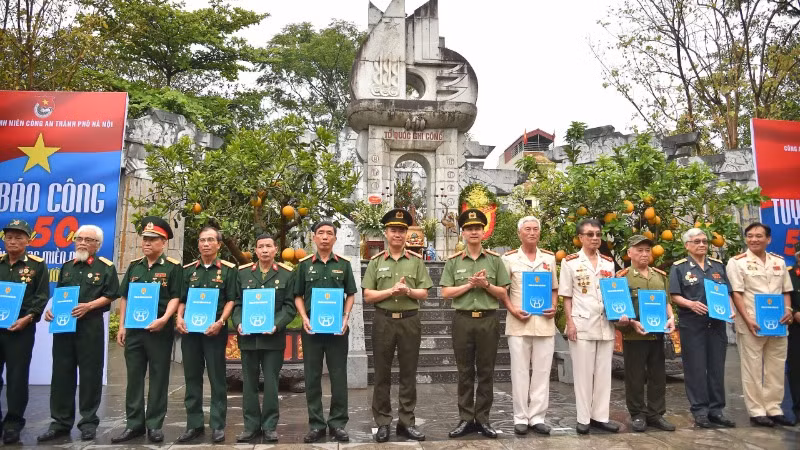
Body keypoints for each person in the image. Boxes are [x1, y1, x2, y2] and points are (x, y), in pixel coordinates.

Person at [38, 225, 118, 442]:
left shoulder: (106, 267)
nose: (82, 243)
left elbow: (111, 295)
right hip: (64, 328)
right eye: (79, 239)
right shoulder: (67, 267)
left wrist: (89, 306)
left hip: (90, 327)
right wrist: (51, 311)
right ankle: (60, 422)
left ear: (97, 245)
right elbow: (61, 295)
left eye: (87, 240)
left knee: (90, 375)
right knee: (62, 374)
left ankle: (88, 422)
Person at [362, 208, 433, 443]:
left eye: (402, 231)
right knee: (382, 373)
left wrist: (408, 291)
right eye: (394, 230)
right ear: (386, 232)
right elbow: (368, 296)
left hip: (409, 321)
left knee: (408, 373)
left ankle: (406, 422)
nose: (398, 235)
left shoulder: (415, 261)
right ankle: (383, 422)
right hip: (383, 321)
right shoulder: (375, 262)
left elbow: (424, 293)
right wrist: (390, 291)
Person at [441, 209, 511, 439]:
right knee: (464, 371)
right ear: (463, 233)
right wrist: (469, 286)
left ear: (483, 232)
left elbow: (503, 292)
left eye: (477, 228)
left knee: (486, 371)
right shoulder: (453, 262)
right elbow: (445, 292)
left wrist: (485, 285)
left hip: (488, 321)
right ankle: (465, 418)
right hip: (462, 321)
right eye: (469, 228)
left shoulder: (494, 260)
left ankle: (483, 418)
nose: (473, 232)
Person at [112, 217, 182, 443]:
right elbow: (124, 298)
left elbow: (175, 297)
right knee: (133, 378)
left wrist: (164, 319)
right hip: (134, 331)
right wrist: (121, 326)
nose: (147, 243)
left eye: (153, 240)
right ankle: (134, 424)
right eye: (145, 239)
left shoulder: (172, 268)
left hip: (159, 332)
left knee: (159, 378)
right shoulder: (134, 266)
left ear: (164, 242)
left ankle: (154, 424)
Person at [293, 221, 357, 443]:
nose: (325, 237)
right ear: (314, 237)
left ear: (335, 238)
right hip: (312, 330)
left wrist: (346, 317)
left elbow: (350, 293)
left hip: (337, 330)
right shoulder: (304, 265)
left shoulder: (344, 265)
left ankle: (338, 423)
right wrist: (304, 318)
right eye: (320, 233)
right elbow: (297, 295)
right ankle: (316, 424)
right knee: (312, 377)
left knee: (339, 377)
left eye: (330, 233)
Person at [726, 222, 794, 427]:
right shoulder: (737, 262)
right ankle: (757, 411)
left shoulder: (779, 262)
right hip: (751, 322)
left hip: (778, 323)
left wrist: (789, 311)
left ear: (768, 239)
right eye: (750, 236)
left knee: (776, 367)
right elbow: (736, 293)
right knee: (752, 368)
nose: (754, 239)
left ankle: (774, 408)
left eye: (758, 236)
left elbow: (785, 291)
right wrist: (747, 320)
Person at [175, 226, 238, 443]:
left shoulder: (229, 270)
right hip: (190, 333)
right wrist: (179, 318)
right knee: (191, 378)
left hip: (214, 332)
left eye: (210, 240)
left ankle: (218, 425)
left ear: (219, 245)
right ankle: (194, 424)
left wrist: (221, 321)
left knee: (217, 378)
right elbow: (181, 299)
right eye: (202, 240)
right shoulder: (188, 270)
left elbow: (232, 299)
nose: (205, 244)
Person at [669, 227, 736, 429]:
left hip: (716, 324)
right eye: (697, 241)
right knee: (696, 369)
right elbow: (674, 295)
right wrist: (690, 304)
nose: (702, 245)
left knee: (716, 367)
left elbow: (728, 293)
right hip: (693, 324)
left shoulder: (717, 266)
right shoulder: (679, 268)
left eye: (704, 241)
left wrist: (731, 310)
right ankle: (700, 411)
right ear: (687, 245)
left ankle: (717, 410)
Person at [232, 233, 297, 443]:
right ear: (256, 250)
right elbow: (236, 304)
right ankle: (250, 426)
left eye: (269, 246)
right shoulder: (242, 274)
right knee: (249, 383)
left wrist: (276, 324)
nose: (265, 250)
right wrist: (239, 322)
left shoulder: (287, 274)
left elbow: (290, 307)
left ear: (276, 249)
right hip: (249, 339)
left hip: (272, 339)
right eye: (261, 246)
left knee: (270, 383)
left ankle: (269, 426)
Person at [559, 218, 619, 434]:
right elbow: (566, 296)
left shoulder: (608, 262)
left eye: (598, 234)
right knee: (583, 374)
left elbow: (613, 292)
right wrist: (570, 322)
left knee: (604, 373)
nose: (595, 238)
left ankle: (600, 416)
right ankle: (583, 417)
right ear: (581, 238)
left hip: (605, 324)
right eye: (590, 234)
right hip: (582, 322)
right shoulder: (570, 262)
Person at [500, 216, 558, 436]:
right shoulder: (509, 259)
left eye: (535, 229)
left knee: (542, 372)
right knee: (520, 372)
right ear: (519, 233)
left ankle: (538, 417)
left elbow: (554, 288)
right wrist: (512, 309)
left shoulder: (549, 259)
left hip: (544, 322)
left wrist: (554, 306)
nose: (532, 233)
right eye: (528, 229)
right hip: (519, 322)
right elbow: (502, 291)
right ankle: (520, 417)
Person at [615, 235, 676, 432]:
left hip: (657, 333)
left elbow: (666, 301)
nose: (644, 254)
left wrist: (671, 317)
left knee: (658, 375)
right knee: (635, 375)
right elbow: (620, 307)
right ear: (629, 253)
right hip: (635, 334)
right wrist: (631, 323)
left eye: (647, 250)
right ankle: (638, 414)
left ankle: (656, 413)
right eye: (639, 250)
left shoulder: (660, 276)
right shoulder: (623, 277)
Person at [0, 219, 48, 444]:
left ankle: (13, 423)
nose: (13, 241)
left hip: (20, 331)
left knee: (17, 378)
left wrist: (27, 318)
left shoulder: (37, 266)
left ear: (28, 240)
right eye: (9, 237)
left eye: (19, 237)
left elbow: (41, 297)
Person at [787, 241, 800, 422]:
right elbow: (784, 295)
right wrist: (795, 312)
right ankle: (798, 409)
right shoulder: (789, 274)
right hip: (796, 327)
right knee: (797, 369)